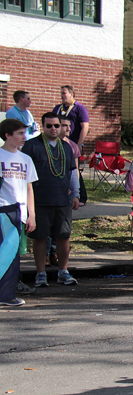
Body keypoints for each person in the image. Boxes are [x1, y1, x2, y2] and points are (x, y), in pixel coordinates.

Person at [23, 112, 79, 287]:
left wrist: (75, 193)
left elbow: (72, 171)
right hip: (40, 200)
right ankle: (41, 274)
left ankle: (63, 271)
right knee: (40, 237)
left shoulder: (66, 147)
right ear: (43, 126)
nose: (53, 129)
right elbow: (25, 176)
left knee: (63, 236)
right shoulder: (32, 146)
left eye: (57, 125)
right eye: (49, 126)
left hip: (62, 200)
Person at [0, 119, 38, 306]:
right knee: (6, 252)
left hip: (19, 213)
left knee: (13, 253)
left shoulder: (26, 159)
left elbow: (29, 188)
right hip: (4, 210)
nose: (24, 137)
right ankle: (5, 295)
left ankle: (6, 294)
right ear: (8, 135)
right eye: (20, 134)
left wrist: (32, 214)